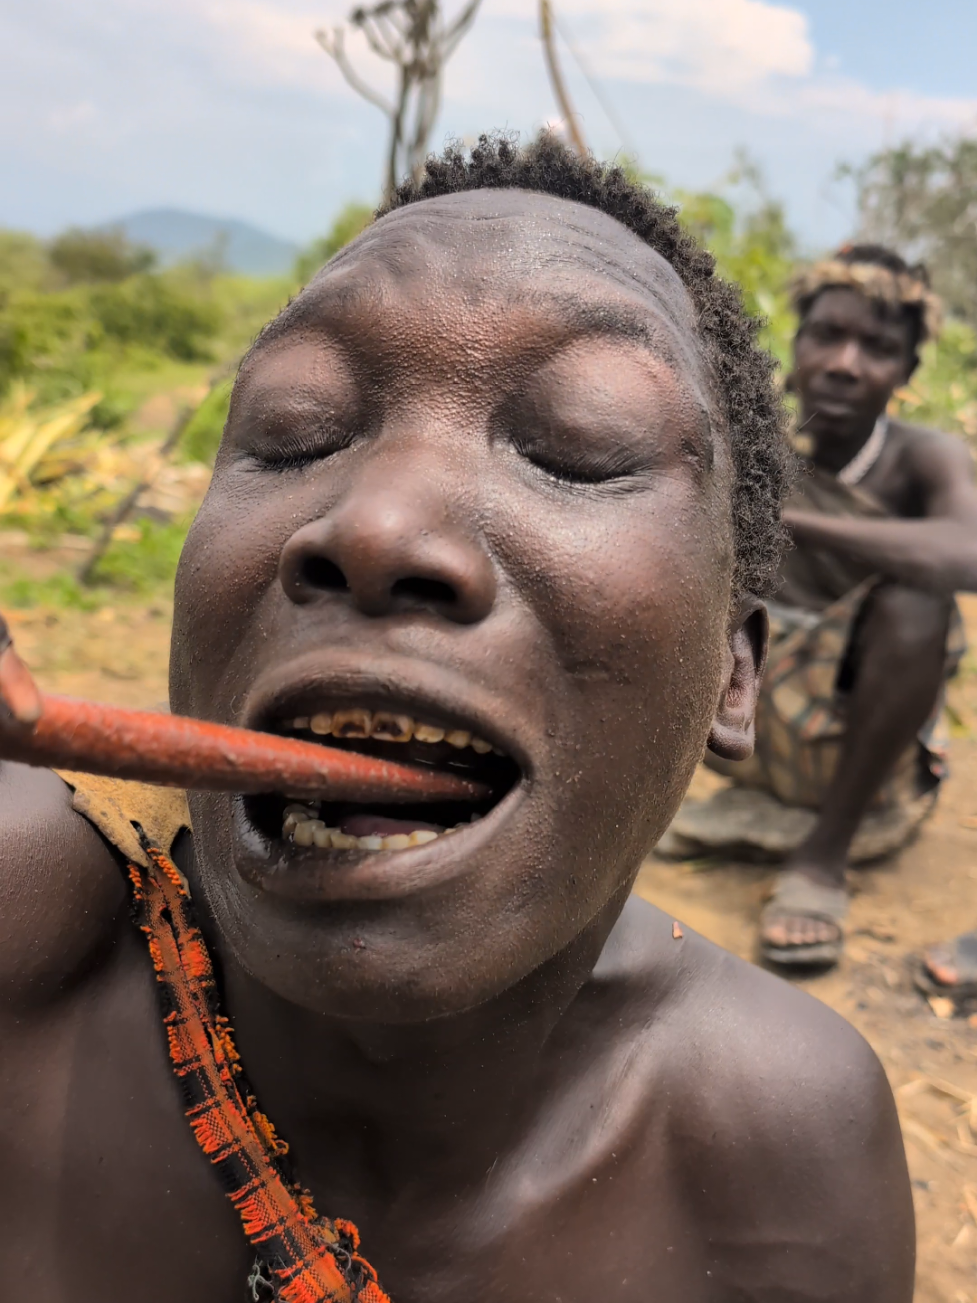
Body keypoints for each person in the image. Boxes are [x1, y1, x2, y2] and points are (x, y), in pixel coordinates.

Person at [0, 135, 913, 1302]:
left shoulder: (781, 1153)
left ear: (732, 680)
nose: (375, 526)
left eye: (577, 450)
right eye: (296, 429)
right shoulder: (27, 936)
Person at [690, 244, 977, 969]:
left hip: (853, 751)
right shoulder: (751, 441)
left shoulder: (922, 457)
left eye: (878, 348)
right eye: (828, 335)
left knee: (920, 601)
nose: (846, 363)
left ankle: (820, 861)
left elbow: (967, 552)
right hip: (738, 730)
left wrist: (784, 518)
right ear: (797, 341)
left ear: (907, 372)